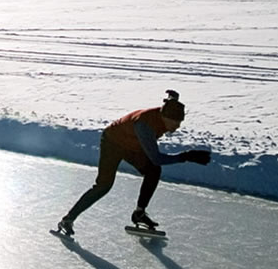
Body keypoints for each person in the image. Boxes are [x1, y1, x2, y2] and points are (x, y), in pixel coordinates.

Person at [57, 90, 210, 236]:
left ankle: (139, 213)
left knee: (153, 171)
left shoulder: (166, 112)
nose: (178, 127)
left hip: (132, 145)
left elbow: (171, 102)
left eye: (180, 122)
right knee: (103, 186)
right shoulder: (144, 126)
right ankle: (68, 219)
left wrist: (173, 97)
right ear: (165, 118)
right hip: (113, 142)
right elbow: (156, 158)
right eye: (175, 123)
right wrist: (186, 156)